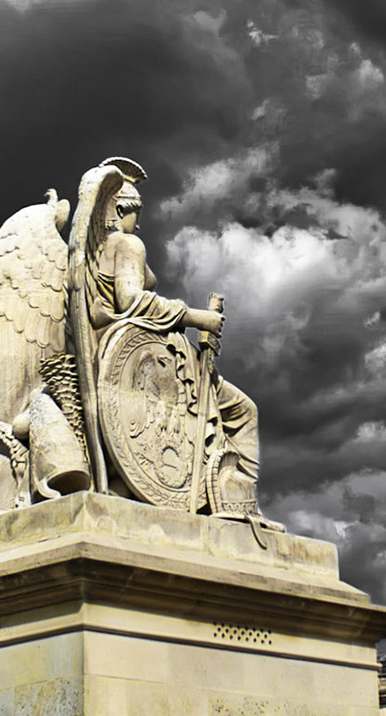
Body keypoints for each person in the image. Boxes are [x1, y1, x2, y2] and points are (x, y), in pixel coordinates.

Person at [90, 183, 265, 521]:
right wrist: (200, 318)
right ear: (121, 210)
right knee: (244, 412)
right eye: (136, 212)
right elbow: (131, 300)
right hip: (163, 360)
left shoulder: (94, 251)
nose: (138, 223)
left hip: (137, 356)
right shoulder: (127, 244)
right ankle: (237, 502)